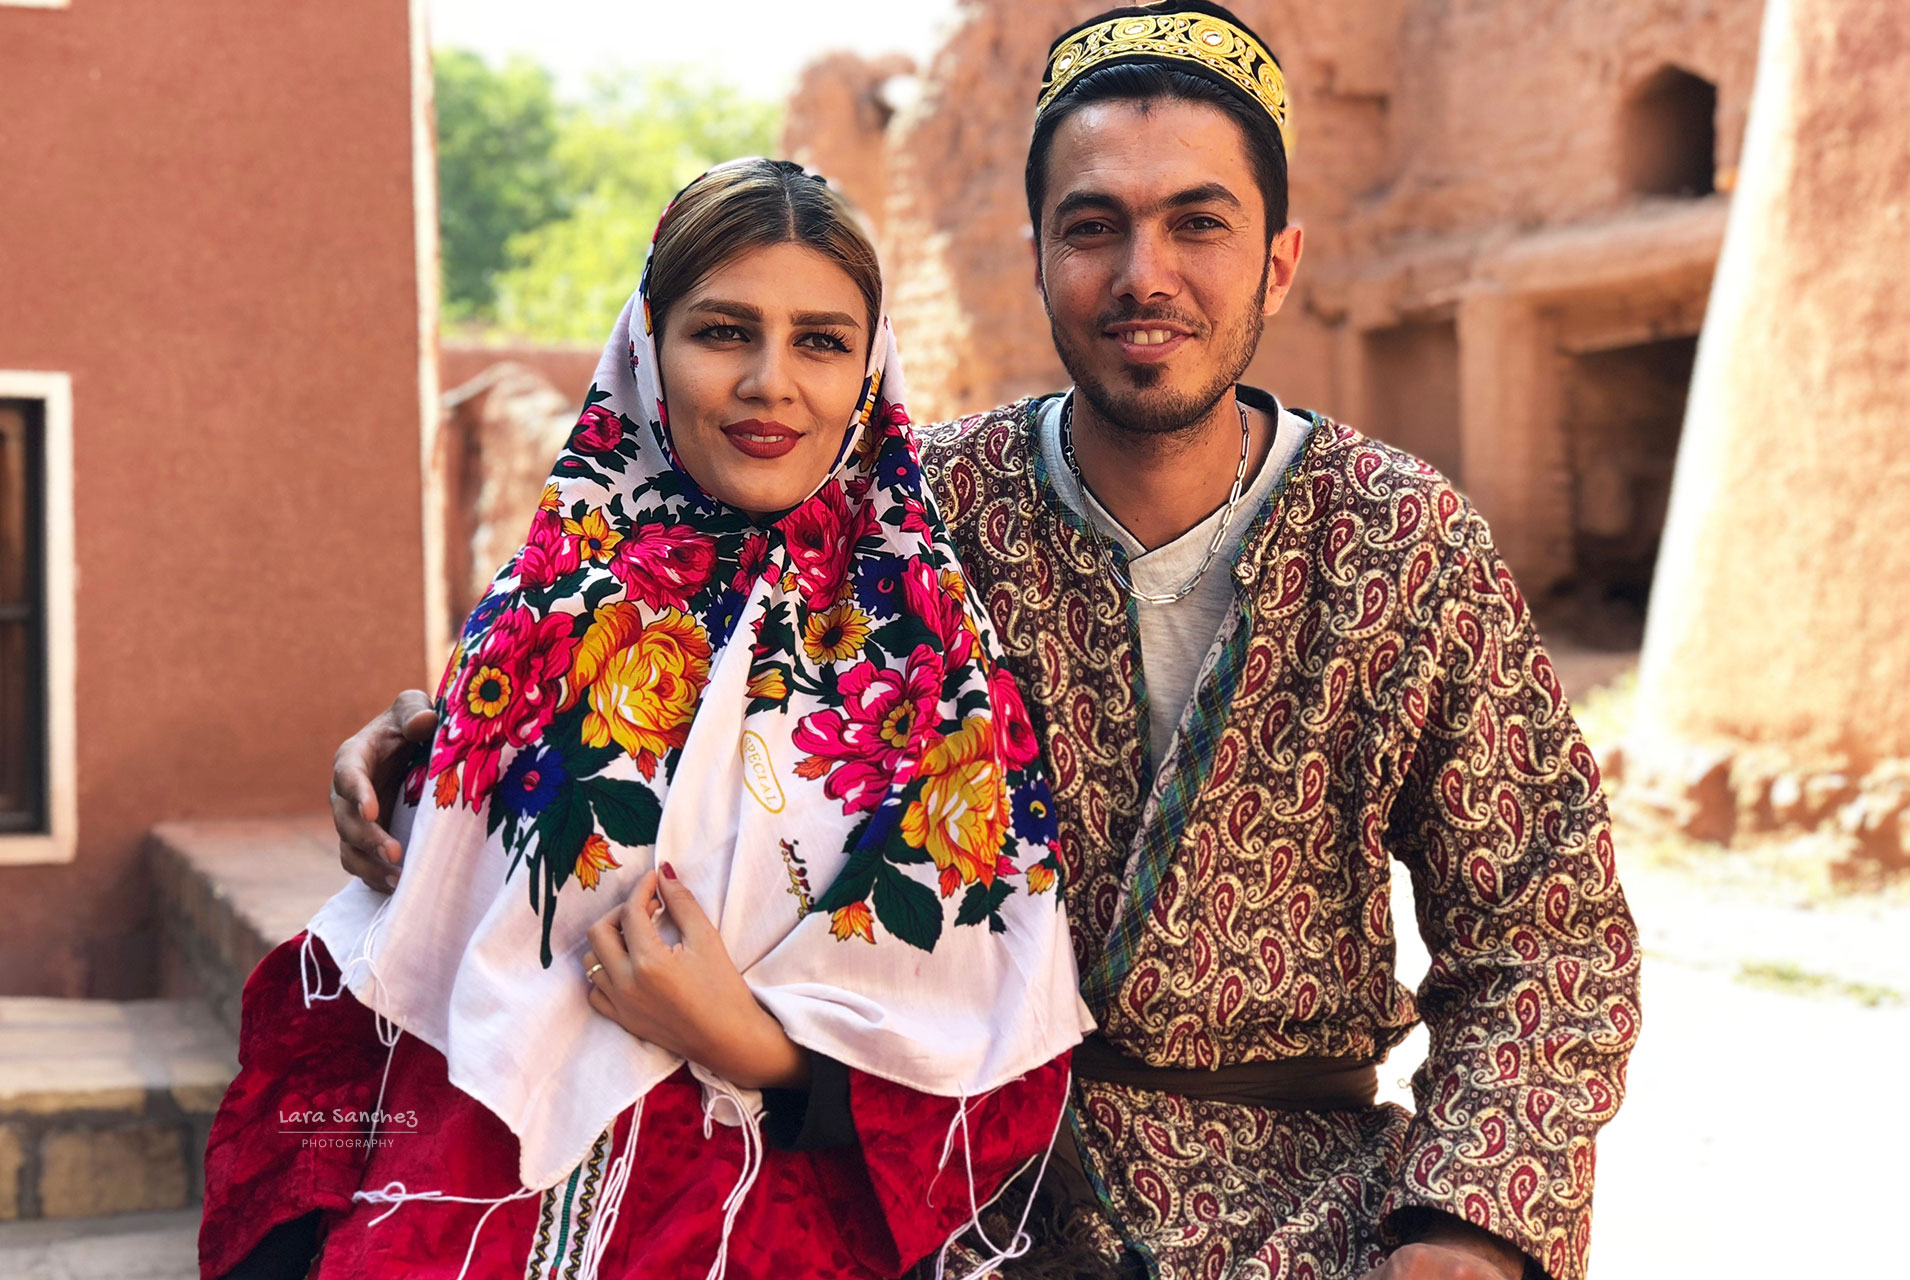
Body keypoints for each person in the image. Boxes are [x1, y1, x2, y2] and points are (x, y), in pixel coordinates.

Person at [334, 5, 1642, 1279]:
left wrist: (1464, 1232)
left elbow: (1546, 937)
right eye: (1095, 227)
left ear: (1279, 261)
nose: (1146, 276)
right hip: (933, 1197)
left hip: (1311, 1207)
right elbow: (660, 633)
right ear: (1036, 256)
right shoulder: (909, 515)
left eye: (1200, 223)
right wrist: (446, 749)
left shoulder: (1404, 545)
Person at [201, 158, 1091, 1280]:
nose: (773, 381)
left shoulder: (936, 661)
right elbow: (415, 952)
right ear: (647, 346)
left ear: (870, 370)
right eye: (724, 331)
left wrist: (760, 1050)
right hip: (467, 1200)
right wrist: (424, 764)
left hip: (771, 1228)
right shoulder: (541, 617)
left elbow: (993, 1029)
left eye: (822, 341)